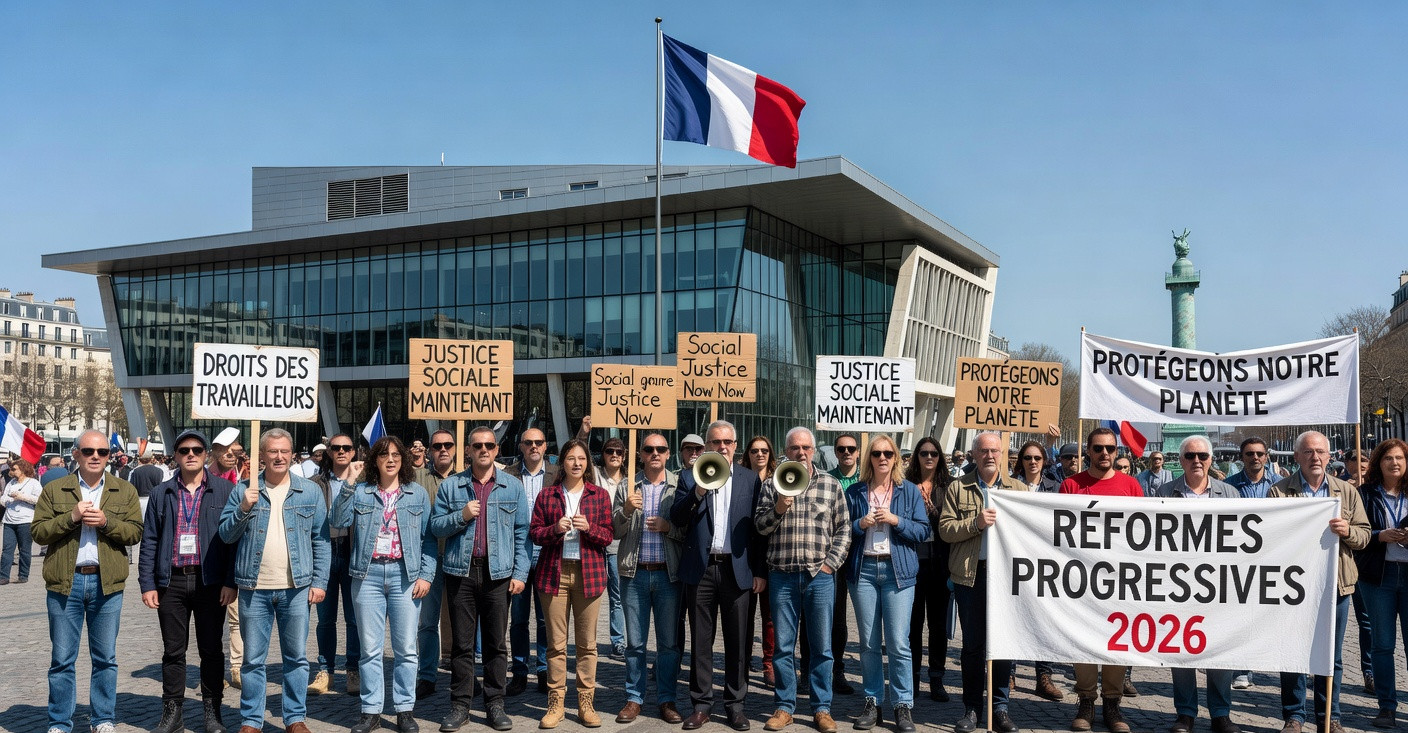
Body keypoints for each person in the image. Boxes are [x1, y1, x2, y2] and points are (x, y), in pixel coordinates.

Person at [217, 428, 330, 733]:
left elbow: (321, 540)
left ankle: (295, 718)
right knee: (253, 660)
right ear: (262, 456)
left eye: (284, 451)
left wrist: (319, 582)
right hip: (254, 588)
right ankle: (252, 720)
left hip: (296, 588)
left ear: (292, 455)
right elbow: (226, 534)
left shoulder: (309, 491)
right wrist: (244, 507)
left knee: (296, 658)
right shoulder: (243, 489)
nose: (279, 457)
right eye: (272, 451)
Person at [31, 429, 143, 733]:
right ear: (76, 454)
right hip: (65, 583)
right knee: (62, 659)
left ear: (110, 457)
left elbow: (135, 533)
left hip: (106, 583)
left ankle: (103, 718)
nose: (96, 457)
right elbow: (38, 532)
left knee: (105, 658)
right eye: (89, 451)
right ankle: (59, 722)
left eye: (102, 452)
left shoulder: (124, 489)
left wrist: (107, 522)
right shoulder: (56, 490)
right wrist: (71, 517)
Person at [331, 436, 437, 733]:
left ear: (403, 460)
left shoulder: (416, 494)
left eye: (396, 455)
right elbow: (337, 519)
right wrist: (349, 482)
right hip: (368, 576)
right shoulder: (362, 492)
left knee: (405, 648)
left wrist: (426, 575)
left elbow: (428, 539)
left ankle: (404, 709)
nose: (390, 459)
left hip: (405, 575)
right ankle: (371, 710)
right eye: (384, 455)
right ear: (374, 460)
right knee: (370, 649)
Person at [430, 426, 530, 733]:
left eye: (489, 445)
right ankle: (460, 705)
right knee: (461, 644)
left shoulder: (512, 487)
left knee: (496, 644)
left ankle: (494, 703)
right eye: (478, 445)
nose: (484, 449)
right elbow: (435, 527)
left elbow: (522, 533)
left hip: (498, 574)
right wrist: (461, 515)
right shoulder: (453, 486)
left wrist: (520, 573)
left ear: (497, 450)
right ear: (469, 450)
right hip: (460, 571)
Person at [1269, 430, 1370, 733]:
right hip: (1294, 586)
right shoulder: (1279, 491)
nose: (1315, 457)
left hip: (1336, 585)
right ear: (1297, 456)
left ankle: (1331, 716)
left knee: (1332, 655)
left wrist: (1347, 532)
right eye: (1308, 452)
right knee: (1294, 651)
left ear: (1329, 456)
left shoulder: (1346, 492)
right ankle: (1294, 715)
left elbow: (1365, 534)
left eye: (1320, 452)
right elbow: (1271, 536)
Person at [139, 430, 238, 733]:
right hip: (172, 582)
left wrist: (230, 580)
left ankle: (212, 712)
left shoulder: (224, 490)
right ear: (176, 455)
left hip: (210, 582)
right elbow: (150, 540)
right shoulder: (162, 492)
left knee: (211, 650)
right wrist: (147, 583)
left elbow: (233, 541)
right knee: (173, 651)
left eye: (197, 449)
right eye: (184, 450)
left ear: (207, 454)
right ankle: (173, 714)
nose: (191, 455)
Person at [671, 419, 766, 732]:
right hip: (700, 569)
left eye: (727, 442)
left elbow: (758, 531)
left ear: (735, 446)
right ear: (707, 446)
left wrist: (760, 571)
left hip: (737, 570)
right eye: (715, 442)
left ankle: (736, 706)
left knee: (738, 642)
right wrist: (698, 490)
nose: (721, 447)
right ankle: (701, 705)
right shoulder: (689, 476)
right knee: (700, 641)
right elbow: (678, 517)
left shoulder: (750, 479)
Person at [754, 427, 849, 733]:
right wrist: (780, 506)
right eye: (795, 448)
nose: (801, 453)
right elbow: (760, 526)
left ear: (813, 450)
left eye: (806, 447)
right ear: (785, 451)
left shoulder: (830, 485)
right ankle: (784, 707)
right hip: (781, 576)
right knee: (783, 647)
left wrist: (829, 567)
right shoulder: (771, 485)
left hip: (818, 577)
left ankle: (822, 708)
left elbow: (843, 531)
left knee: (821, 647)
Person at [938, 432, 1024, 733]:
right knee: (973, 645)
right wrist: (975, 523)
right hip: (969, 574)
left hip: (1006, 577)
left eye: (995, 451)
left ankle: (1000, 708)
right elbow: (946, 530)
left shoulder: (1019, 488)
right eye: (984, 451)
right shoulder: (958, 487)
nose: (990, 455)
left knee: (1002, 644)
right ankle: (972, 708)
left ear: (1002, 454)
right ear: (974, 455)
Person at [1157, 436, 1243, 733]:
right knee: (1181, 649)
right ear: (1180, 460)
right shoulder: (1164, 492)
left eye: (1203, 456)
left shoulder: (1230, 493)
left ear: (1211, 459)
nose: (1197, 460)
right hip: (1177, 584)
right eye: (1190, 455)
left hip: (1220, 584)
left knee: (1221, 648)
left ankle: (1221, 713)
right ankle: (1185, 713)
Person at [1059, 428, 1143, 733]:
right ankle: (1085, 701)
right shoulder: (1071, 485)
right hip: (1081, 579)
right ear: (1089, 451)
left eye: (1110, 448)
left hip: (1120, 579)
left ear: (1117, 451)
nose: (1104, 454)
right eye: (1098, 448)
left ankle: (1112, 703)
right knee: (1083, 639)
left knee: (1115, 640)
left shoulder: (1131, 486)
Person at [843, 434, 928, 732]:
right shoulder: (854, 492)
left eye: (887, 454)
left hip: (898, 572)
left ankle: (903, 705)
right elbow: (840, 530)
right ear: (869, 459)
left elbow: (922, 532)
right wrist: (859, 524)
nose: (882, 458)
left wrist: (895, 520)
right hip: (863, 570)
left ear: (896, 459)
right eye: (876, 453)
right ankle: (872, 701)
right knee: (867, 642)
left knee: (898, 642)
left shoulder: (909, 492)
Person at [529, 439, 613, 728]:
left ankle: (585, 702)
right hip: (553, 572)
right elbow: (535, 534)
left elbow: (608, 537)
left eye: (581, 458)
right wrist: (555, 528)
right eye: (570, 458)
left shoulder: (599, 495)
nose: (576, 463)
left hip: (588, 573)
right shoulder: (547, 495)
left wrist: (590, 528)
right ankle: (556, 703)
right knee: (556, 644)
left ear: (587, 463)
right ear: (561, 462)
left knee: (588, 645)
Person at [612, 431, 686, 724]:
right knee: (635, 644)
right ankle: (634, 698)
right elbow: (613, 531)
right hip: (635, 574)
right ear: (640, 454)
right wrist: (627, 510)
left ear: (669, 454)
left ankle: (667, 698)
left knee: (668, 644)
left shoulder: (680, 486)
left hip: (668, 575)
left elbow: (690, 531)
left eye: (661, 449)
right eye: (649, 449)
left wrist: (669, 528)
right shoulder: (627, 486)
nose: (655, 453)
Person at [1355, 438, 1408, 728]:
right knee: (1383, 644)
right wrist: (1379, 536)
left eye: (1399, 457)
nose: (1395, 463)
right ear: (1379, 462)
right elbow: (1356, 530)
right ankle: (1387, 706)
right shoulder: (1364, 493)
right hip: (1378, 576)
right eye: (1388, 458)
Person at [307, 433, 363, 697]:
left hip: (353, 551)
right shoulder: (315, 483)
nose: (341, 451)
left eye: (346, 447)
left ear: (354, 452)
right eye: (336, 447)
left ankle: (353, 670)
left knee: (354, 619)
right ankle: (325, 671)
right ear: (328, 452)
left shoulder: (363, 482)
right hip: (325, 551)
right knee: (325, 618)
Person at [505, 426, 559, 695]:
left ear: (545, 446)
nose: (534, 446)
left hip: (548, 551)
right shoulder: (509, 474)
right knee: (517, 619)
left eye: (539, 442)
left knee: (545, 619)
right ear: (521, 446)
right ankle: (519, 671)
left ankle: (544, 671)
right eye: (529, 442)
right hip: (518, 554)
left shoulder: (557, 474)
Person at [904, 437, 953, 703]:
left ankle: (937, 678)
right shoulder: (906, 486)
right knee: (913, 625)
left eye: (934, 453)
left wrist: (932, 511)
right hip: (912, 562)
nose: (929, 457)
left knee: (937, 625)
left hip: (940, 564)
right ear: (917, 457)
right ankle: (911, 678)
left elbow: (949, 523)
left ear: (940, 457)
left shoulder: (949, 487)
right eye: (924, 453)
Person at [412, 429, 456, 700]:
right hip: (427, 560)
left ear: (455, 448)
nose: (443, 449)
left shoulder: (466, 479)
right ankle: (427, 675)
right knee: (427, 622)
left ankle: (461, 674)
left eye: (447, 444)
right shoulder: (416, 478)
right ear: (429, 450)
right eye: (437, 445)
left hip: (458, 558)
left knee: (462, 621)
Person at [821, 433, 862, 696]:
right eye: (841, 449)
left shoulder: (866, 480)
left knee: (846, 620)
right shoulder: (827, 478)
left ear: (858, 451)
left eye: (851, 448)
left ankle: (837, 670)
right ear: (835, 452)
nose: (846, 452)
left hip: (859, 553)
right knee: (825, 615)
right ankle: (816, 670)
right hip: (830, 554)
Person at [745, 434, 779, 687]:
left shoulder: (780, 480)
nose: (759, 454)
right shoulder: (740, 479)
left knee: (770, 617)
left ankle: (769, 663)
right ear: (747, 454)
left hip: (771, 555)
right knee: (744, 616)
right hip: (744, 555)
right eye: (755, 450)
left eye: (764, 451)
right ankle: (743, 660)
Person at [596, 437, 629, 661]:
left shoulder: (630, 481)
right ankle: (587, 640)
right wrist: (584, 431)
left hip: (618, 545)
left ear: (624, 456)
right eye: (610, 451)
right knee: (591, 595)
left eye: (618, 451)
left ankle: (619, 642)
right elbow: (577, 451)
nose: (614, 454)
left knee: (617, 597)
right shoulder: (595, 475)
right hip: (596, 542)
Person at [1, 457, 42, 584]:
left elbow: (39, 499)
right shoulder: (11, 483)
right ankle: (3, 576)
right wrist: (9, 500)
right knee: (7, 548)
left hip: (26, 520)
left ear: (23, 470)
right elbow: (3, 499)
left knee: (24, 549)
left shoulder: (33, 483)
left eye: (14, 469)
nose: (12, 471)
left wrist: (22, 497)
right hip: (9, 520)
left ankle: (23, 575)